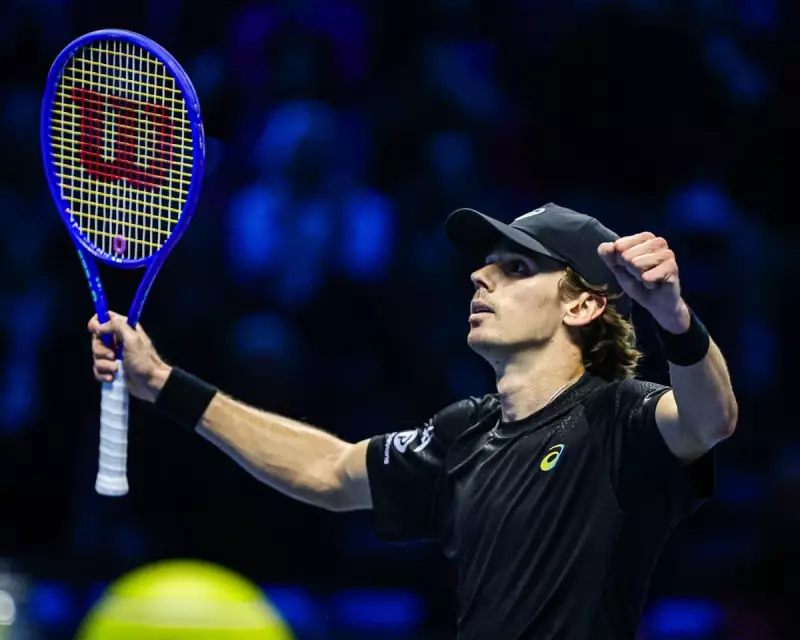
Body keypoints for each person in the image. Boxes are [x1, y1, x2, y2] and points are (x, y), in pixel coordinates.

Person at [89, 203, 738, 639]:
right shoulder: (463, 434)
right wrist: (163, 384)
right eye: (487, 264)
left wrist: (675, 321)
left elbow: (710, 420)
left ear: (583, 307)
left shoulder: (618, 418)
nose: (481, 276)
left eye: (516, 267)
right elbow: (327, 469)